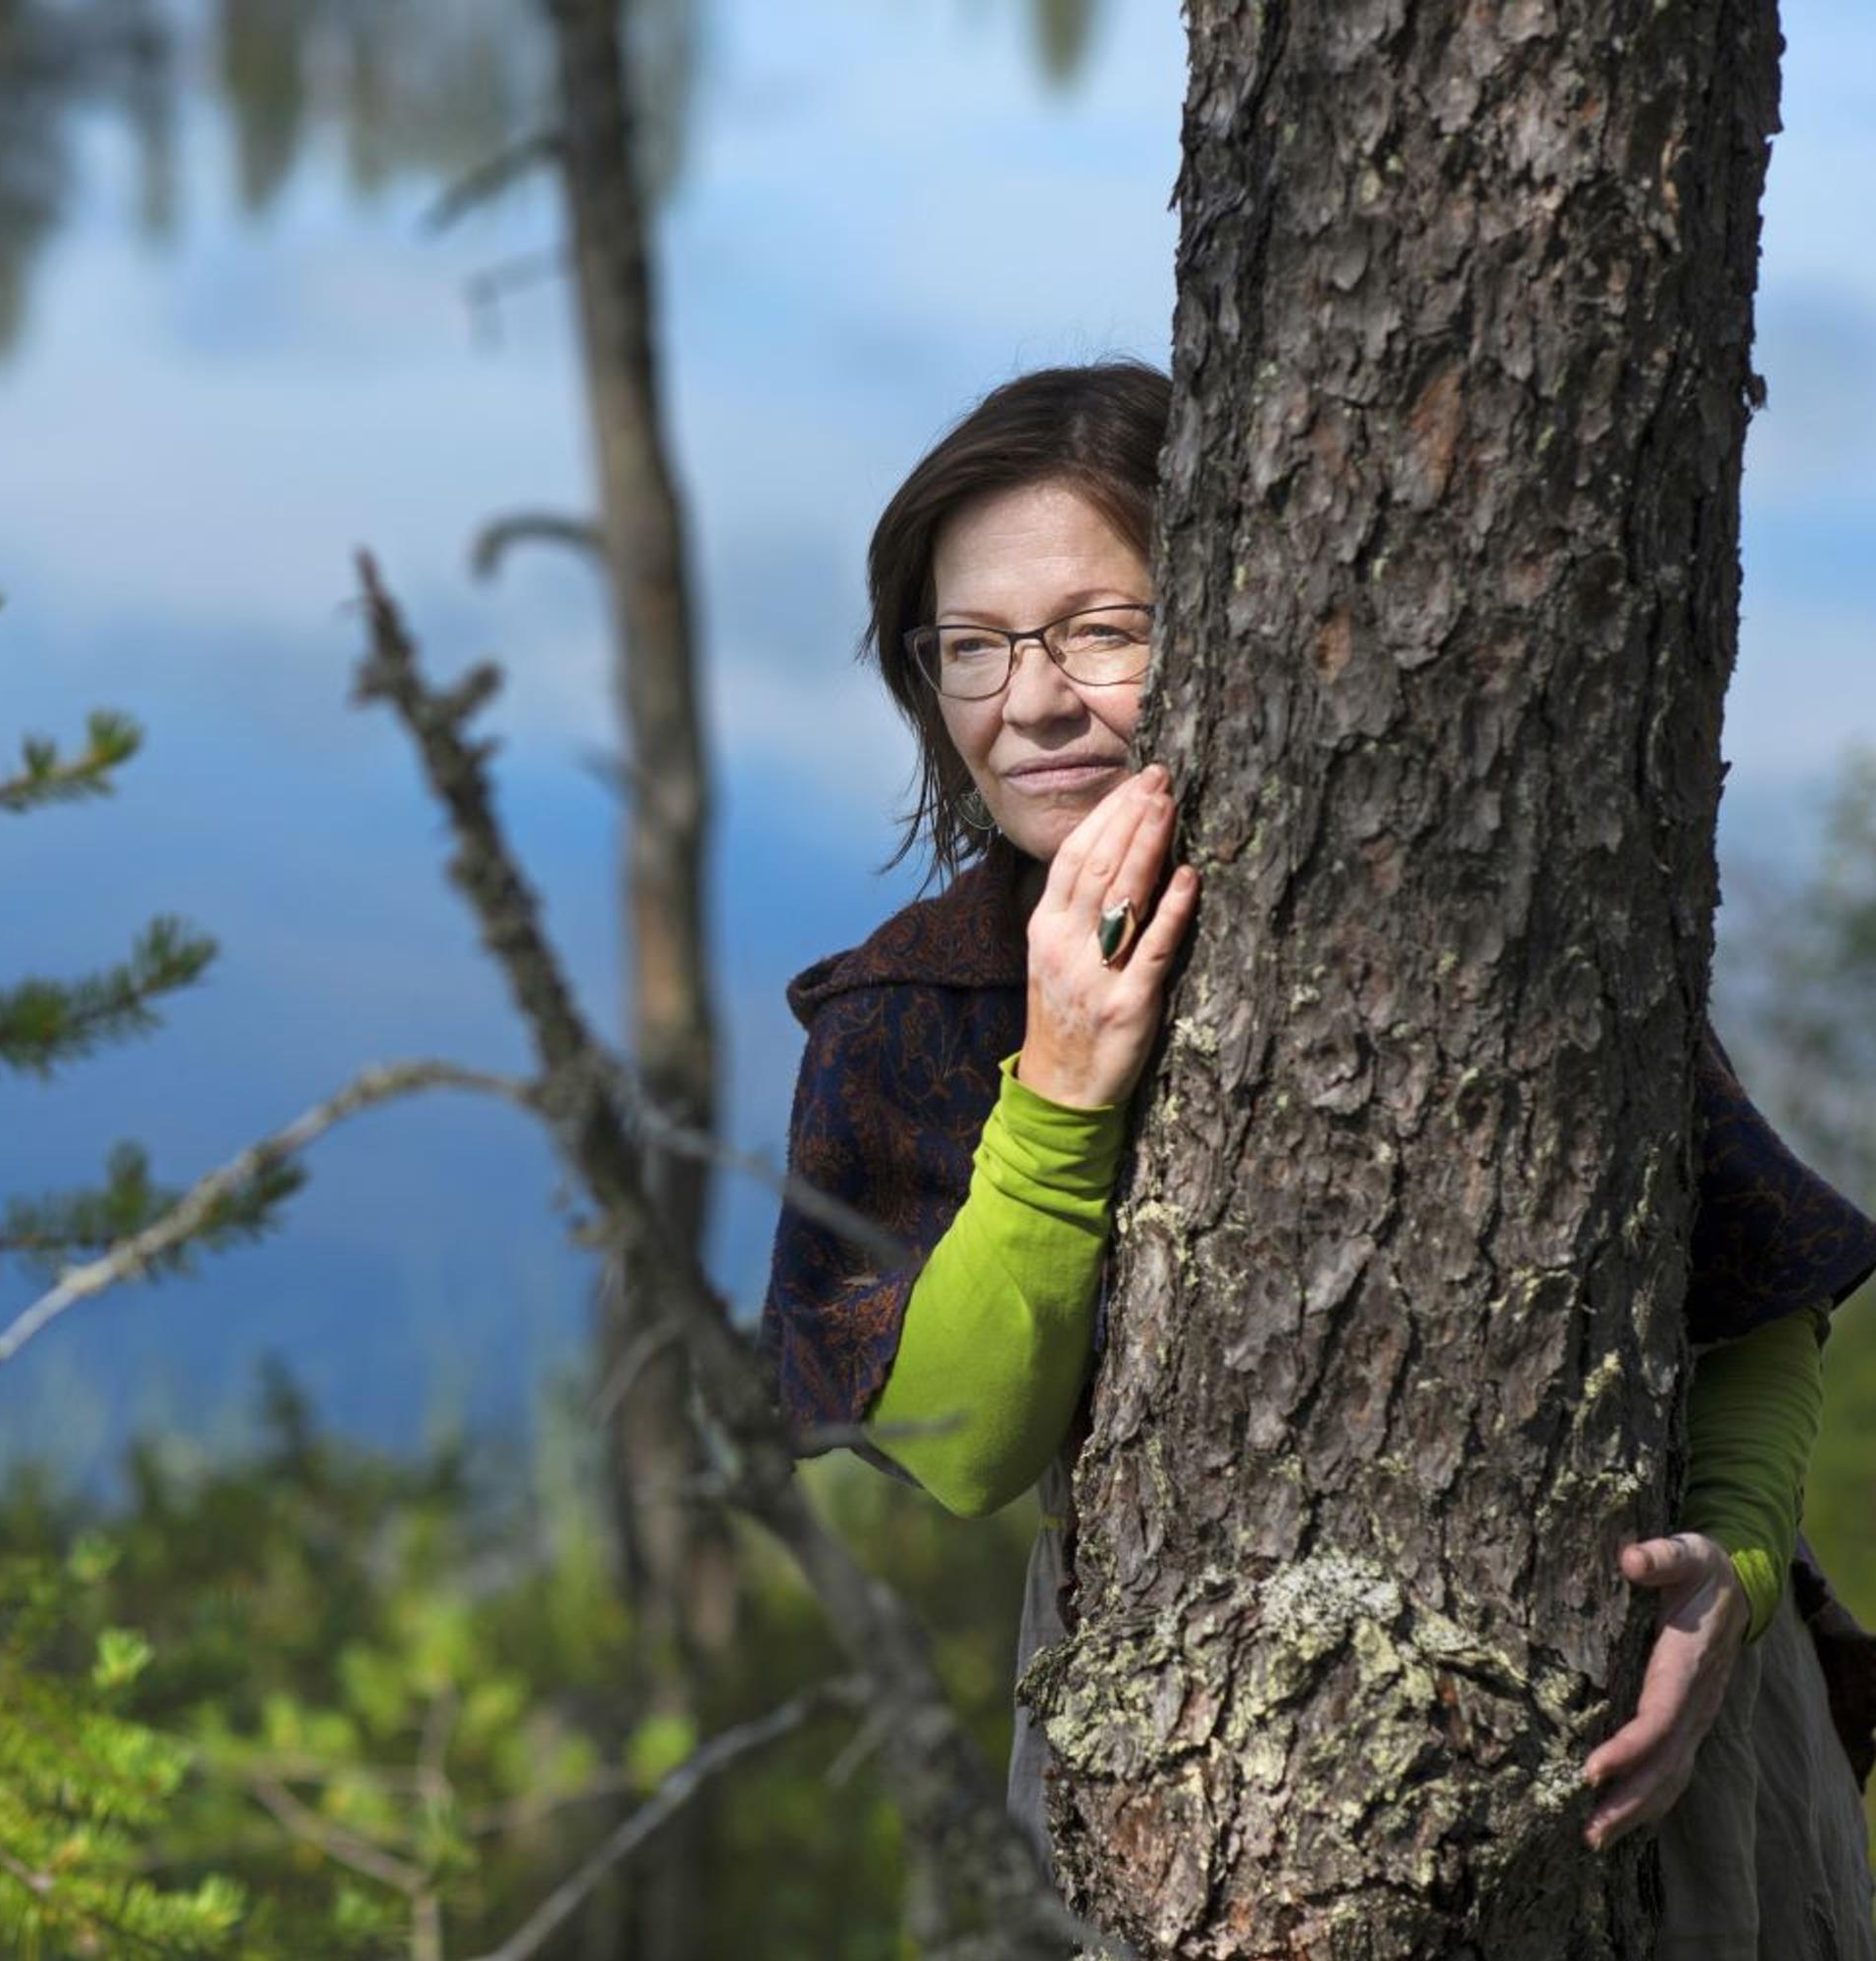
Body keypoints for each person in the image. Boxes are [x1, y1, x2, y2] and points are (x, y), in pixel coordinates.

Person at [757, 361, 1876, 1955]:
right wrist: (1061, 1093)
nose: (1033, 702)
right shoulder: (913, 1010)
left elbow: (1757, 1285)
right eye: (975, 649)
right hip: (1164, 1757)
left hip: (1659, 1718)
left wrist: (1738, 1566)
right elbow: (955, 1449)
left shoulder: (1469, 890)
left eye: (1101, 628)